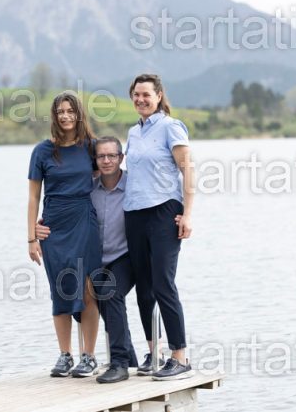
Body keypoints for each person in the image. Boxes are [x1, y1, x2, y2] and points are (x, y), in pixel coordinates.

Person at [37, 136, 140, 384]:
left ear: (121, 158)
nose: (106, 161)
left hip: (123, 257)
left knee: (107, 292)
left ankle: (119, 363)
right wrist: (42, 226)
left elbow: (158, 202)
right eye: (101, 156)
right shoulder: (86, 190)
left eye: (112, 156)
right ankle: (129, 358)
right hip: (93, 257)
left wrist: (178, 216)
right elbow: (63, 208)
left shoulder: (135, 186)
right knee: (83, 302)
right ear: (94, 161)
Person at [124, 73, 196, 381]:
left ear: (159, 96)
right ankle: (155, 353)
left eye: (146, 94)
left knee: (163, 284)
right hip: (134, 214)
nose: (141, 99)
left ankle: (179, 357)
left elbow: (188, 171)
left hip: (164, 212)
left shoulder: (171, 126)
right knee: (144, 287)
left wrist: (188, 214)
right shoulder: (133, 132)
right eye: (136, 94)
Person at [27, 92, 102, 378]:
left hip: (84, 221)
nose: (66, 116)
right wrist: (31, 236)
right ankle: (65, 355)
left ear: (79, 114)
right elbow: (33, 196)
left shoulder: (90, 148)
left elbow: (109, 179)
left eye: (71, 111)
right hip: (53, 228)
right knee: (60, 288)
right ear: (54, 116)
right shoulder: (42, 151)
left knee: (88, 288)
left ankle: (89, 356)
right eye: (60, 111)